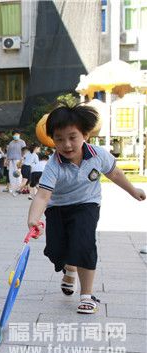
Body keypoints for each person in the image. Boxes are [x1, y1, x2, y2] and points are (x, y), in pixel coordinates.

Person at [27, 104, 145, 314]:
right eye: (59, 139)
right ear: (52, 140)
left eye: (72, 137)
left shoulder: (98, 155)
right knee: (55, 251)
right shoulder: (54, 165)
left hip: (87, 205)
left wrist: (132, 191)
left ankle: (86, 296)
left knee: (84, 243)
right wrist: (33, 219)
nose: (67, 144)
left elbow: (115, 174)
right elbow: (43, 195)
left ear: (86, 135)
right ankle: (69, 269)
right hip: (58, 208)